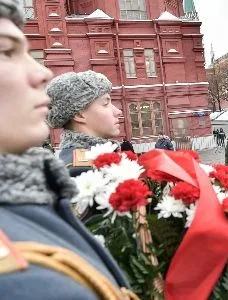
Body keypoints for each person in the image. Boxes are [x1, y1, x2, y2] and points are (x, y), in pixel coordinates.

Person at [0, 2, 134, 298]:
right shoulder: (77, 167)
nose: (42, 74)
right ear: (80, 114)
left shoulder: (33, 193)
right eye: (6, 51)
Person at [46, 70, 122, 178]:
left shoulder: (85, 159)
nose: (118, 112)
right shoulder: (82, 170)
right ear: (79, 115)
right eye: (105, 104)